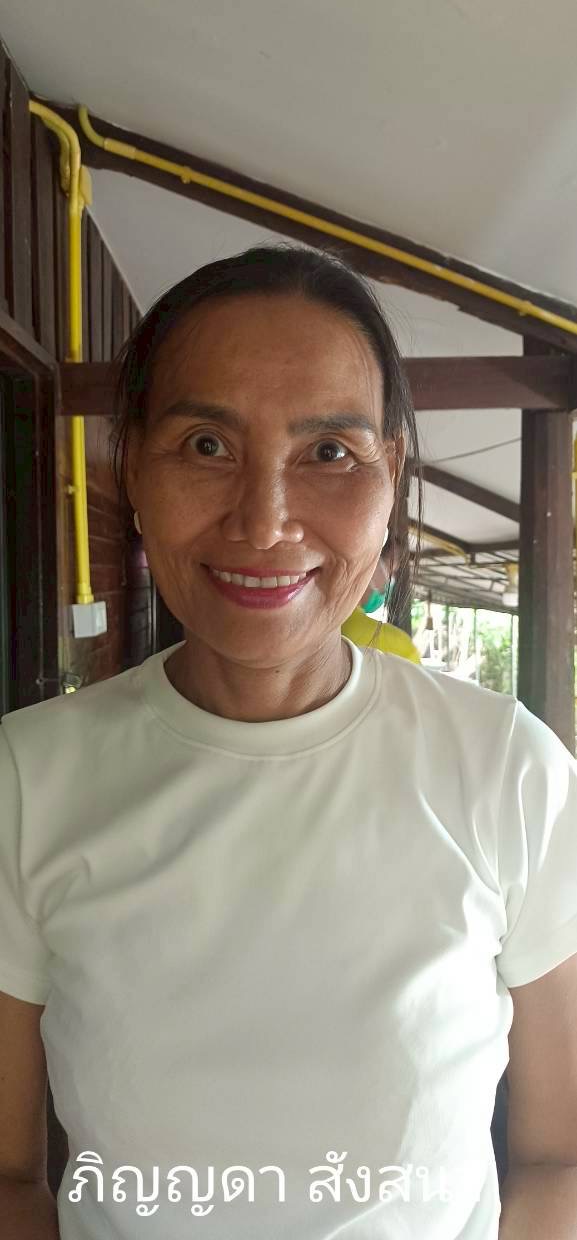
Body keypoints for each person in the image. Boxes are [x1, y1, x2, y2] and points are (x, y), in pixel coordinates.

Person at [1, 246, 577, 1240]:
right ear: (131, 465)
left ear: (392, 471)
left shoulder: (504, 769)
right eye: (206, 445)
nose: (264, 523)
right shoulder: (28, 778)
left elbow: (557, 1155)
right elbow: (11, 1176)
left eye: (329, 452)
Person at [341, 532, 421, 663]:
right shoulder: (399, 646)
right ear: (370, 563)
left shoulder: (314, 628)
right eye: (391, 571)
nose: (392, 580)